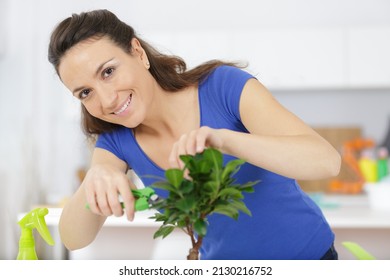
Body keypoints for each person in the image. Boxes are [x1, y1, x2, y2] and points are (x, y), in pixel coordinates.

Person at [48, 9, 341, 260]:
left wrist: (224, 139)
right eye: (85, 92)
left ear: (137, 52)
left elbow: (326, 161)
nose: (107, 100)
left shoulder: (223, 87)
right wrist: (95, 177)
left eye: (108, 72)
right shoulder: (116, 141)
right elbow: (74, 238)